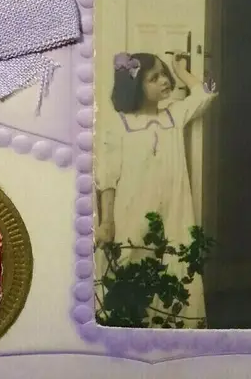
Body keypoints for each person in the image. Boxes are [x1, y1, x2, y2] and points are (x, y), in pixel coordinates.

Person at [95, 51, 217, 327]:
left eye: (164, 74)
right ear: (136, 87)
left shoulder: (173, 116)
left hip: (174, 213)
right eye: (154, 78)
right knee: (133, 271)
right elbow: (108, 179)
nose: (164, 80)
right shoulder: (119, 125)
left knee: (175, 269)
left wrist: (181, 70)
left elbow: (205, 94)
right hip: (133, 214)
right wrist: (107, 222)